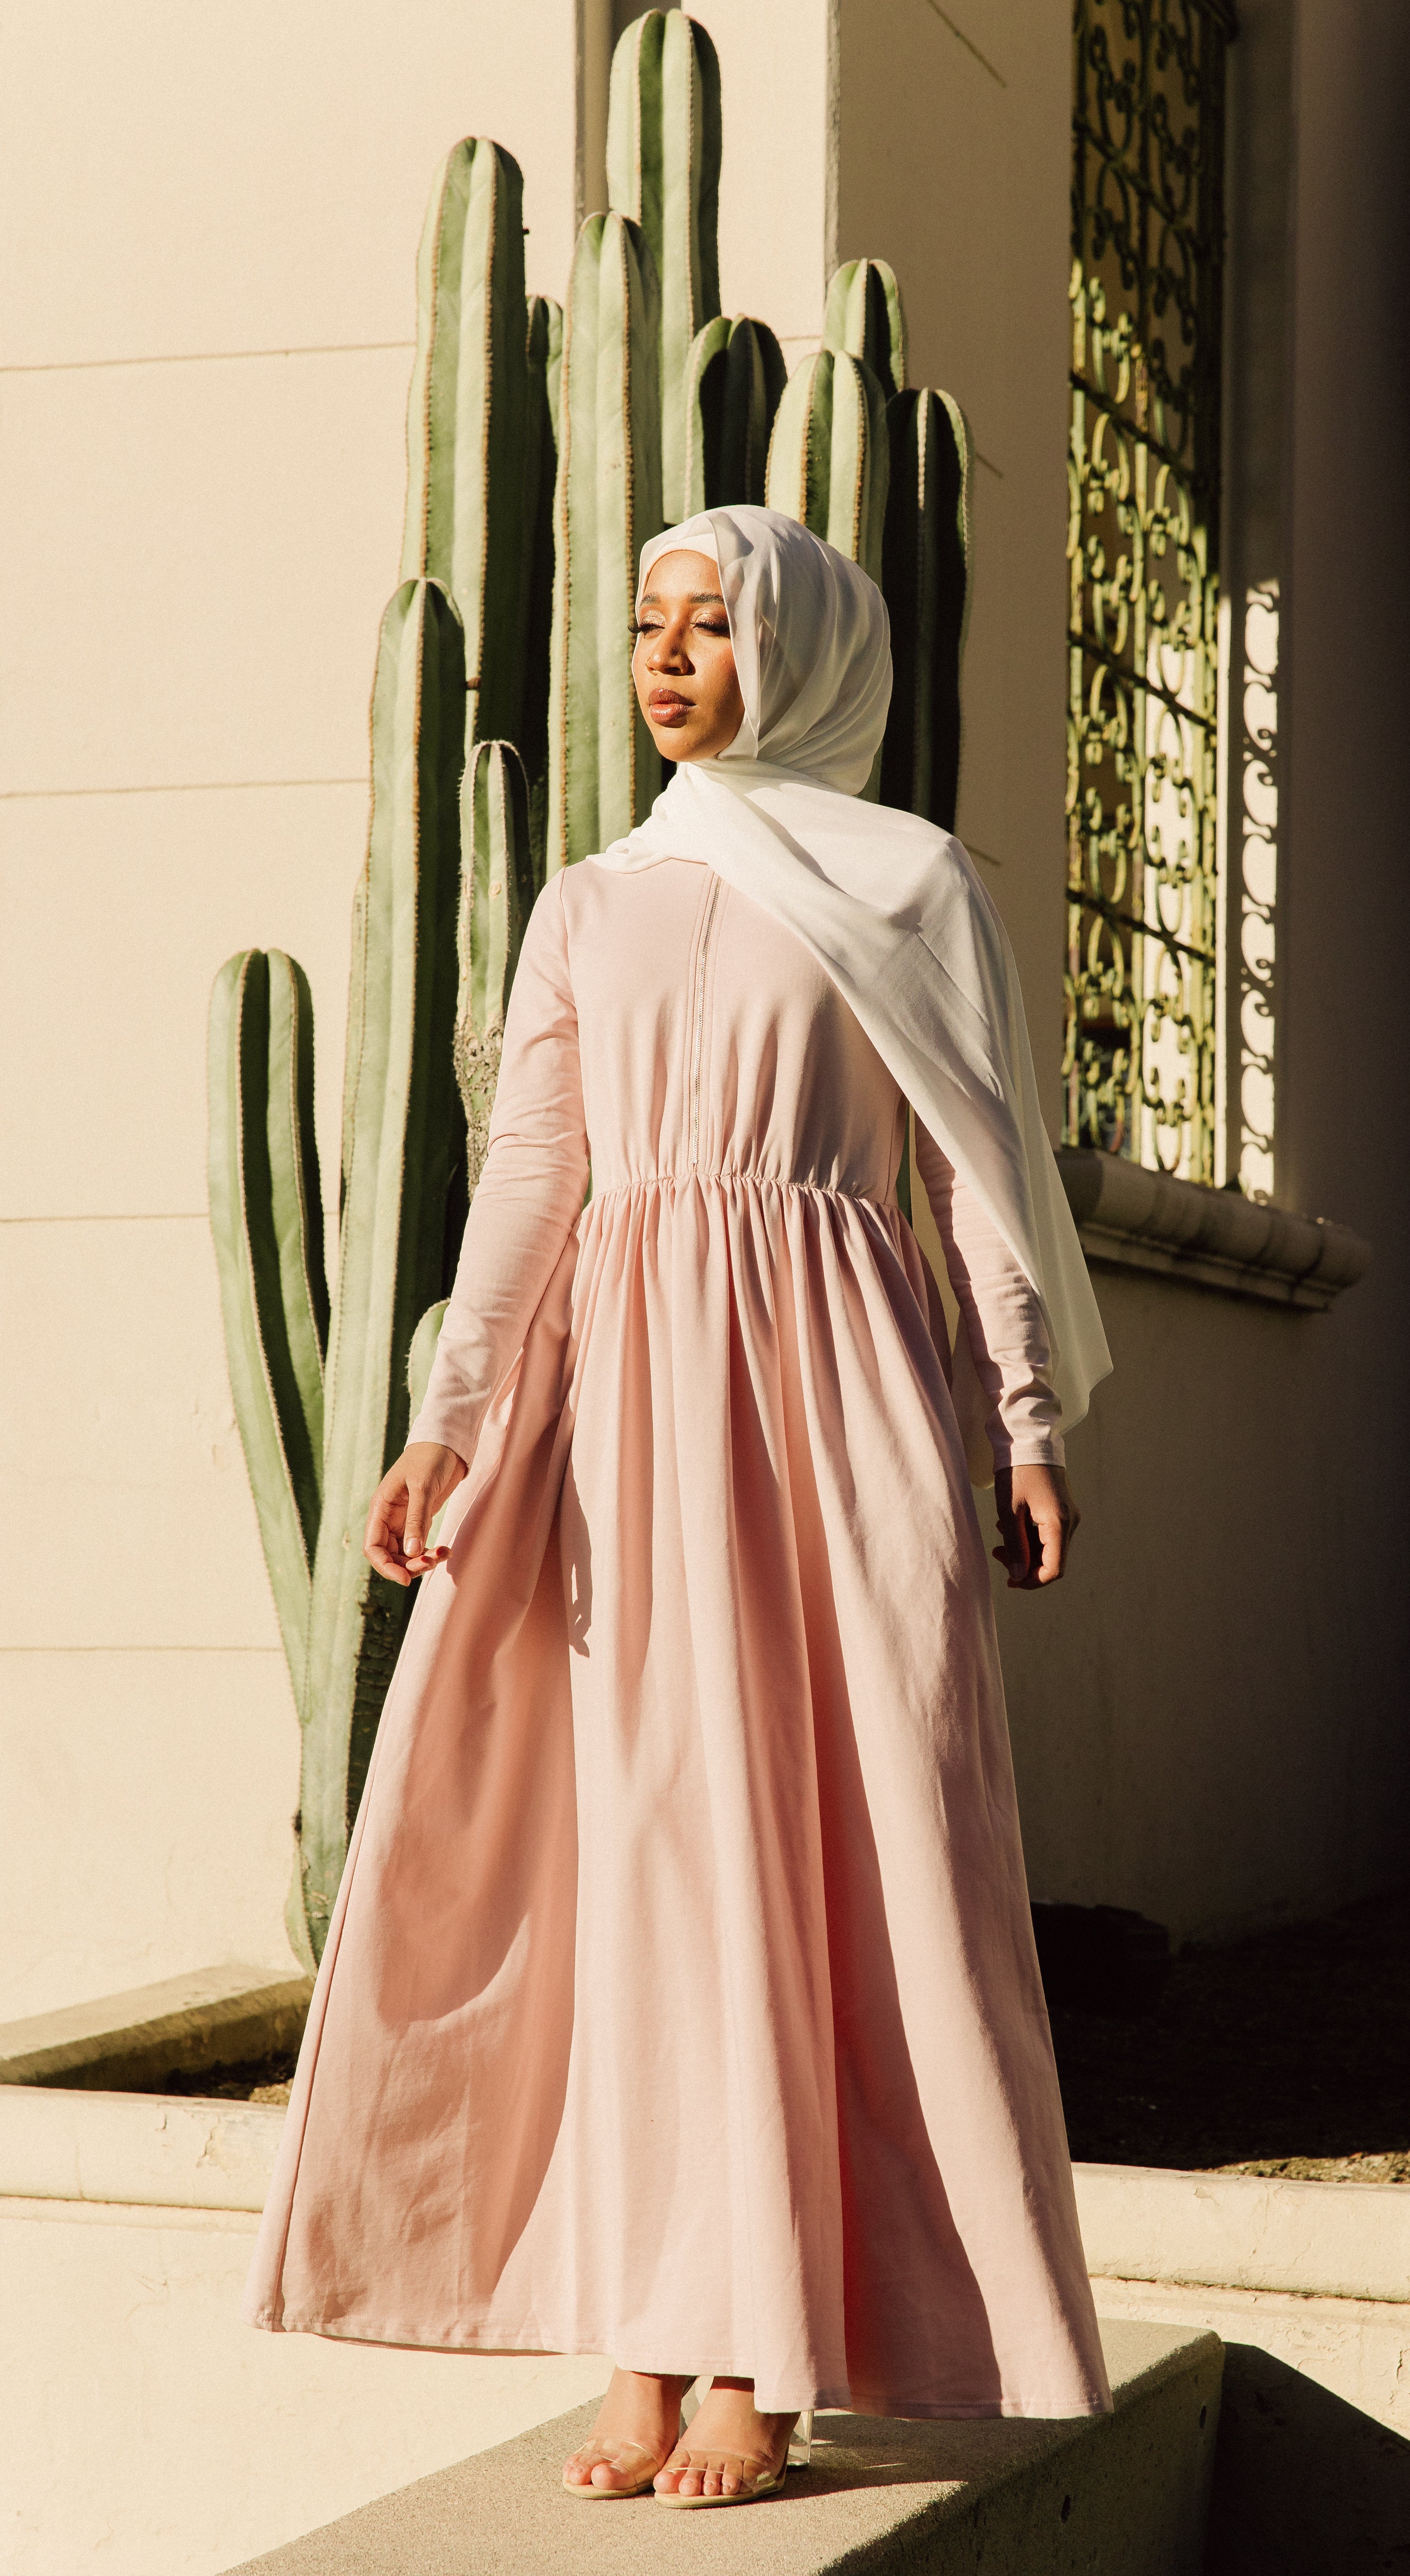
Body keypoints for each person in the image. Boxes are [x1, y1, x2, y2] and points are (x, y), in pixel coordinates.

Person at [244, 505, 1114, 2508]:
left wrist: (1027, 1417)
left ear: (797, 649)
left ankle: (771, 2356)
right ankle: (643, 2337)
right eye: (650, 625)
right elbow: (535, 1184)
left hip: (835, 1419)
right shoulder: (593, 900)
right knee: (633, 1866)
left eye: (712, 626)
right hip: (619, 1430)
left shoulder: (906, 886)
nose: (668, 658)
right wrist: (452, 1421)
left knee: (819, 1853)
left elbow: (977, 1172)